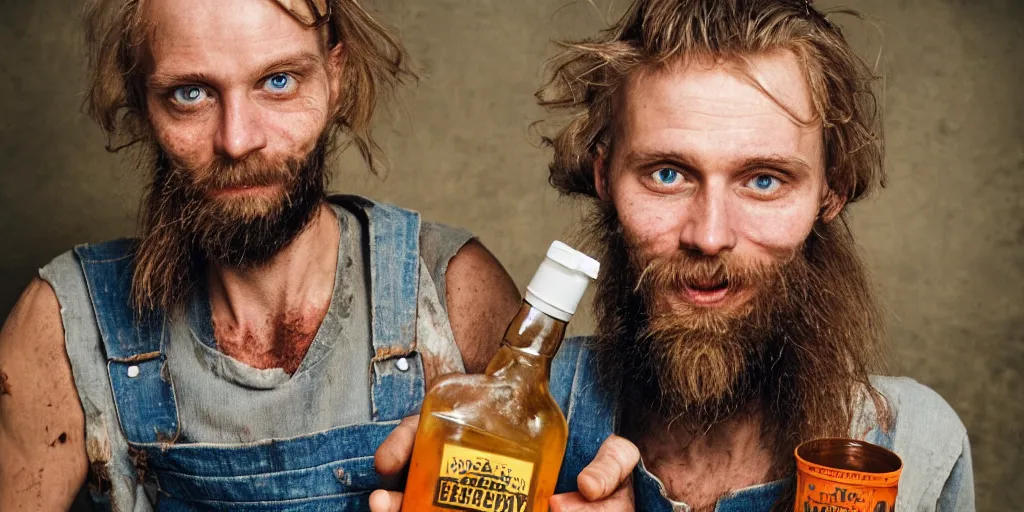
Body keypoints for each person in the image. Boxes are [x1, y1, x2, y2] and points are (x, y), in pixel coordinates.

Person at [370, 1, 974, 511]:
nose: (709, 236)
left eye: (764, 180)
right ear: (605, 177)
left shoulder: (916, 444)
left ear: (831, 190)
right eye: (667, 173)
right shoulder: (502, 431)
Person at [0, 0, 521, 509]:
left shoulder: (453, 295)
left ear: (333, 78)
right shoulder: (62, 324)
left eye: (278, 82)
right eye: (190, 93)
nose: (237, 139)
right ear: (143, 102)